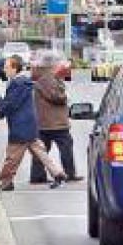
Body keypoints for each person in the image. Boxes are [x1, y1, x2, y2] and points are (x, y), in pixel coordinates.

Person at [0, 55, 67, 191]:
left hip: (20, 126)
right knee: (40, 152)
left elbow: (11, 103)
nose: (4, 70)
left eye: (7, 68)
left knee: (12, 157)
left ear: (14, 69)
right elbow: (11, 101)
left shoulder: (17, 84)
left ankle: (6, 182)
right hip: (29, 124)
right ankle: (58, 174)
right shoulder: (24, 82)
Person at [29, 52, 80, 184]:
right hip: (54, 123)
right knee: (65, 148)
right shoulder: (48, 79)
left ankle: (38, 176)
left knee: (41, 150)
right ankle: (68, 174)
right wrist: (65, 97)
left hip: (46, 122)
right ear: (52, 65)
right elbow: (55, 96)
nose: (61, 66)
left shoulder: (45, 78)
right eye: (58, 63)